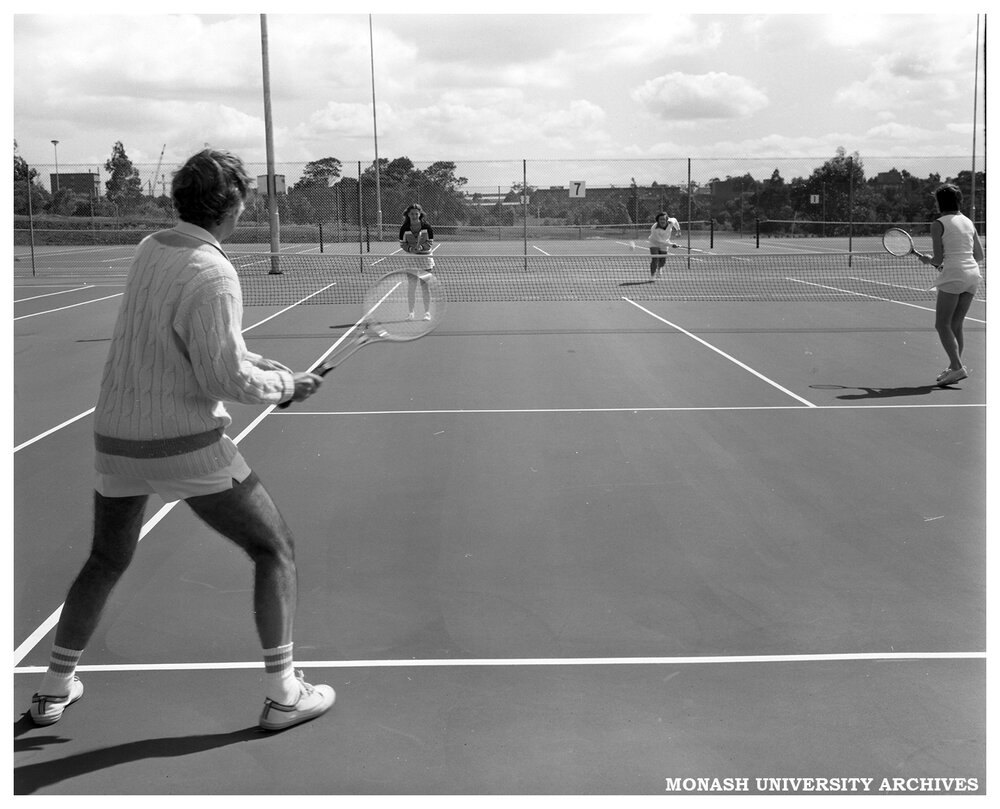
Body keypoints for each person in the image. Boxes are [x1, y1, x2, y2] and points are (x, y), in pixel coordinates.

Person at [28, 149, 336, 733]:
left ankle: (53, 690)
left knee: (106, 558)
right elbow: (221, 377)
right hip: (183, 444)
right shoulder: (215, 271)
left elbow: (191, 341)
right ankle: (283, 695)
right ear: (236, 204)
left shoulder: (153, 248)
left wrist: (258, 361)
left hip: (116, 437)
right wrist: (284, 385)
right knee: (275, 550)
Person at [913, 183, 984, 386]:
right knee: (956, 324)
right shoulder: (969, 222)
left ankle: (957, 366)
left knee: (942, 324)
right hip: (972, 275)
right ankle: (954, 367)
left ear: (939, 202)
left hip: (954, 275)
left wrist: (928, 260)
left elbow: (937, 258)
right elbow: (979, 255)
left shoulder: (938, 223)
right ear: (958, 201)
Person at [399, 203, 434, 319]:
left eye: (416, 213)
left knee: (425, 286)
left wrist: (421, 247)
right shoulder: (404, 228)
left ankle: (427, 313)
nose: (414, 216)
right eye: (412, 214)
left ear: (420, 214)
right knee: (412, 286)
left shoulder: (427, 227)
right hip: (411, 259)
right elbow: (402, 244)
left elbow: (429, 242)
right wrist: (410, 249)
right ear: (408, 215)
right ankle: (411, 313)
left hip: (425, 258)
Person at [647, 211, 681, 278]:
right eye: (660, 219)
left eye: (664, 219)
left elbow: (675, 221)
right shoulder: (654, 228)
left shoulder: (671, 222)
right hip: (654, 242)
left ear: (667, 219)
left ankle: (659, 269)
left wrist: (678, 230)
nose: (662, 221)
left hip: (665, 242)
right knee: (655, 258)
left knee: (662, 261)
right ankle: (652, 275)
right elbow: (659, 241)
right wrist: (672, 245)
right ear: (658, 220)